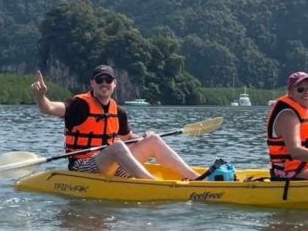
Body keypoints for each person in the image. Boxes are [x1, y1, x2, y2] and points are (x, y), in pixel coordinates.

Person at [31, 64, 200, 180]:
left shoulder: (118, 111)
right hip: (84, 167)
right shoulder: (79, 105)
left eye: (108, 80)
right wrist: (41, 97)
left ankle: (196, 179)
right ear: (92, 83)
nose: (104, 83)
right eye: (99, 80)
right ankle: (152, 183)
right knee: (118, 147)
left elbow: (128, 138)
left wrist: (143, 138)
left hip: (113, 166)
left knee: (153, 139)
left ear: (114, 84)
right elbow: (50, 108)